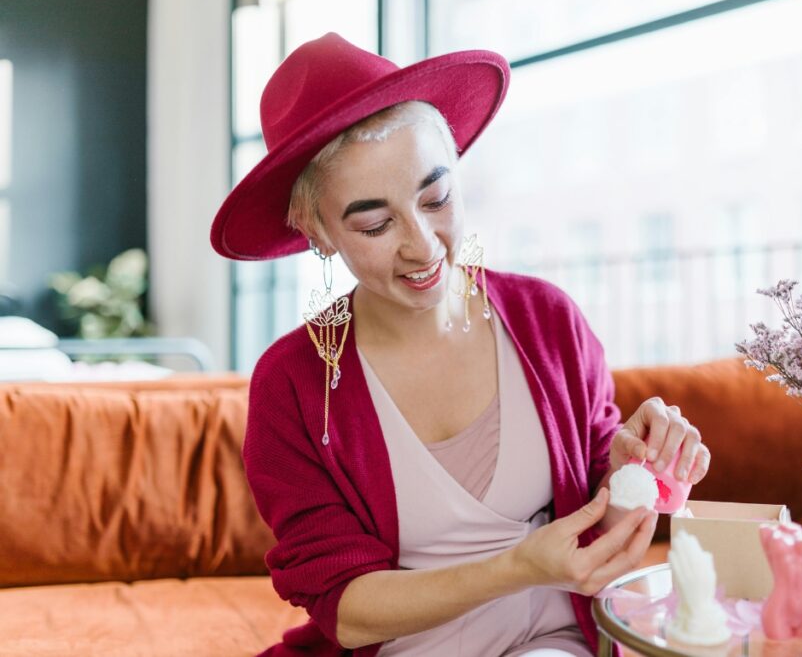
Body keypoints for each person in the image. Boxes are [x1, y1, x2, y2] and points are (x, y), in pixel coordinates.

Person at [210, 32, 711, 657]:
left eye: (436, 197)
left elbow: (597, 515)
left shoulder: (546, 320)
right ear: (318, 232)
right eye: (375, 223)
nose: (422, 245)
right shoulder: (292, 384)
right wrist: (517, 568)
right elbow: (347, 611)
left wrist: (637, 466)